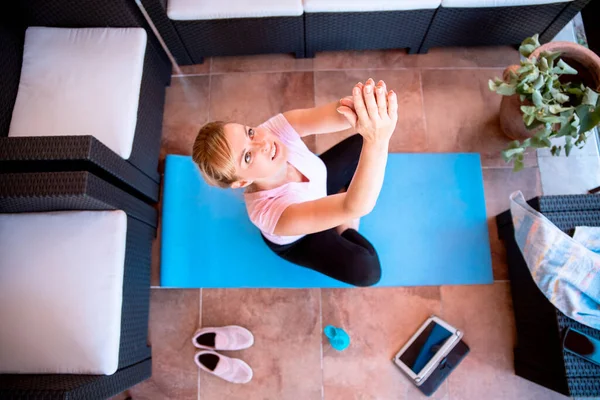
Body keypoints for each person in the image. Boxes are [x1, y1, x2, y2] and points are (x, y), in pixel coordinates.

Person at [192, 78, 398, 286]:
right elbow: (353, 207)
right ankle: (344, 229)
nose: (262, 143)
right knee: (366, 270)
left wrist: (364, 104)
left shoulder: (273, 131)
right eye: (247, 156)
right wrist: (378, 141)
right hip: (302, 238)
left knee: (361, 140)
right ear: (242, 181)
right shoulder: (270, 214)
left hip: (320, 186)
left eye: (250, 133)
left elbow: (338, 113)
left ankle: (335, 203)